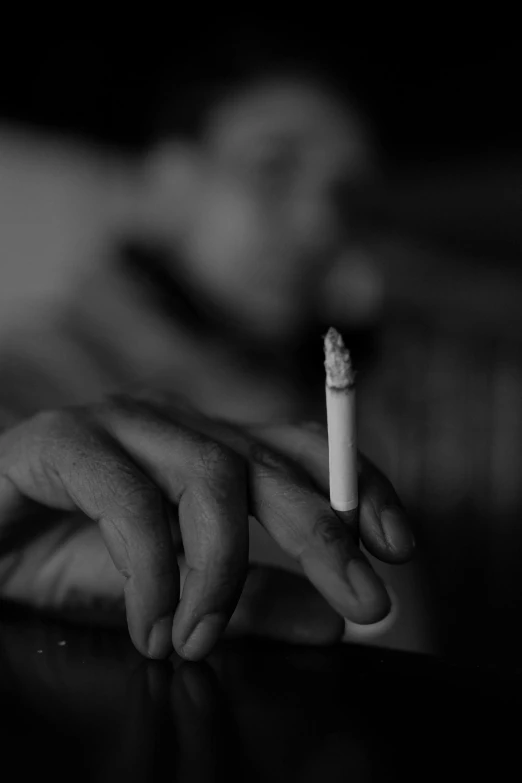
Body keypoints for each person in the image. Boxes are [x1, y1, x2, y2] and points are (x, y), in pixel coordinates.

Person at [0, 41, 415, 660]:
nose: (320, 222)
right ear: (169, 184)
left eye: (347, 193)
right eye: (273, 167)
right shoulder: (31, 377)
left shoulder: (341, 400)